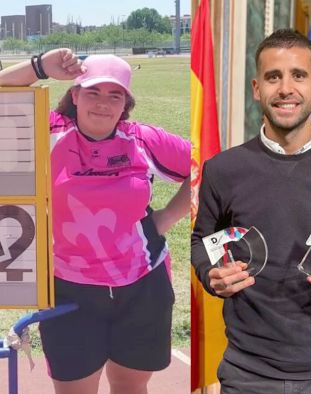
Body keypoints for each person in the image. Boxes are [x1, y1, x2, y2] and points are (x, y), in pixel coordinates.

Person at [191, 29, 311, 393]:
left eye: (298, 75)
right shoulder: (222, 170)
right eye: (273, 77)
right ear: (256, 88)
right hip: (246, 373)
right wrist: (210, 274)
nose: (285, 88)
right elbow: (202, 241)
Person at [0, 49, 190, 394]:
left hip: (142, 286)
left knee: (130, 387)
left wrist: (165, 218)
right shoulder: (48, 131)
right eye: (93, 92)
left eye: (114, 95)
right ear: (75, 95)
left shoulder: (143, 140)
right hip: (68, 287)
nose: (103, 103)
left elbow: (208, 165)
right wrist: (39, 66)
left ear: (126, 103)